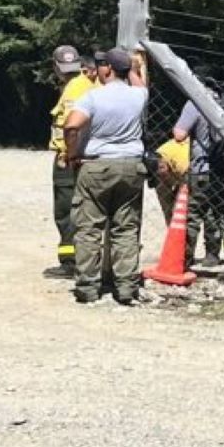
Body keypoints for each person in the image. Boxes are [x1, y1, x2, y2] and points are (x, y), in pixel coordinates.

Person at [62, 46, 149, 305]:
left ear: (108, 69)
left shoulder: (93, 97)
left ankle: (88, 287)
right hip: (132, 165)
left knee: (89, 228)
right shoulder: (138, 97)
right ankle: (125, 287)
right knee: (126, 228)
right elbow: (141, 84)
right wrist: (134, 66)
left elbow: (71, 125)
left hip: (97, 165)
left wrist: (72, 153)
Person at [171, 82, 224, 277]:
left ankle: (183, 259)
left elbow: (179, 135)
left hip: (202, 169)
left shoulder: (195, 103)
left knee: (193, 215)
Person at [46, 45, 96, 277]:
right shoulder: (86, 84)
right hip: (83, 155)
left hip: (70, 157)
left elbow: (71, 127)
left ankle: (69, 261)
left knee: (66, 209)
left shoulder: (74, 89)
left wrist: (68, 155)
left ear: (55, 67)